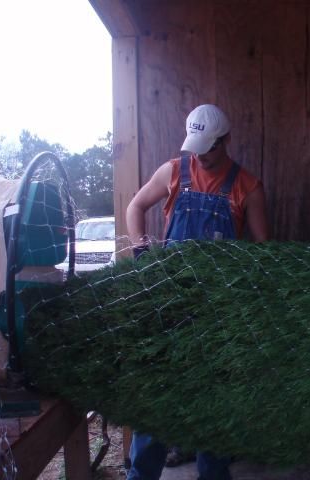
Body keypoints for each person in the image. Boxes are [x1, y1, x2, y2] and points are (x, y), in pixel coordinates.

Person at [125, 104, 269, 480]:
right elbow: (136, 206)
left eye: (210, 148)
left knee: (215, 400)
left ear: (226, 141)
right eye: (197, 148)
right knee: (156, 395)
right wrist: (141, 252)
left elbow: (265, 250)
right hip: (169, 305)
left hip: (218, 311)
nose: (202, 156)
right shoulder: (173, 171)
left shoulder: (248, 187)